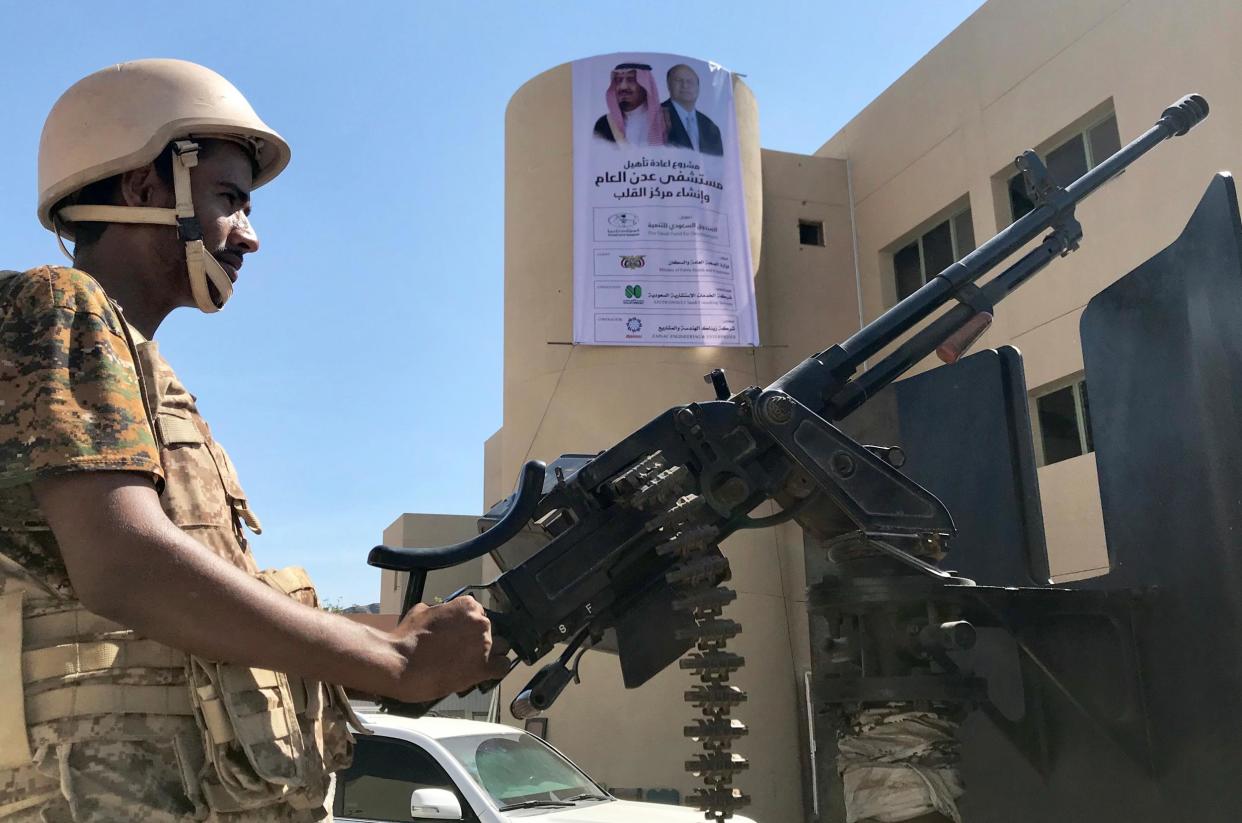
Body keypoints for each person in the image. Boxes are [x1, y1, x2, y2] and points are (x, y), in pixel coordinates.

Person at [0, 59, 509, 821]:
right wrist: (393, 657)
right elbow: (124, 565)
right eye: (230, 200)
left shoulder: (149, 376)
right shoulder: (61, 302)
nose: (251, 236)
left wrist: (410, 634)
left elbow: (214, 603)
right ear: (144, 188)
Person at [593, 63, 668, 147]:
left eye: (631, 80)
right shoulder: (604, 124)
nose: (623, 87)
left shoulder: (667, 120)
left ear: (645, 85)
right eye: (618, 80)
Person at [661, 64, 724, 156]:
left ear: (698, 87)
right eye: (678, 80)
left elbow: (718, 165)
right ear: (668, 85)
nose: (685, 85)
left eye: (690, 81)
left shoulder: (711, 128)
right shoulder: (656, 115)